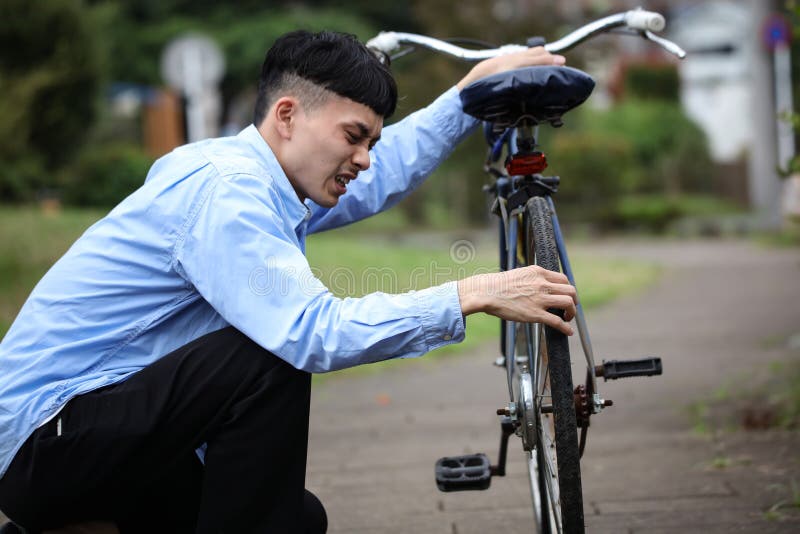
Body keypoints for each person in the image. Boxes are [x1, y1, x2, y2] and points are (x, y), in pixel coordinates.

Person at [0, 30, 574, 533]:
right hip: (42, 443)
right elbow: (312, 331)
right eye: (354, 136)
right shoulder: (227, 191)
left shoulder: (266, 178)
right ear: (287, 115)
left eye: (371, 141)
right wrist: (473, 293)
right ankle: (69, 512)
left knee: (297, 519)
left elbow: (387, 171)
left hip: (98, 433)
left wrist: (468, 93)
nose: (365, 158)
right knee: (268, 358)